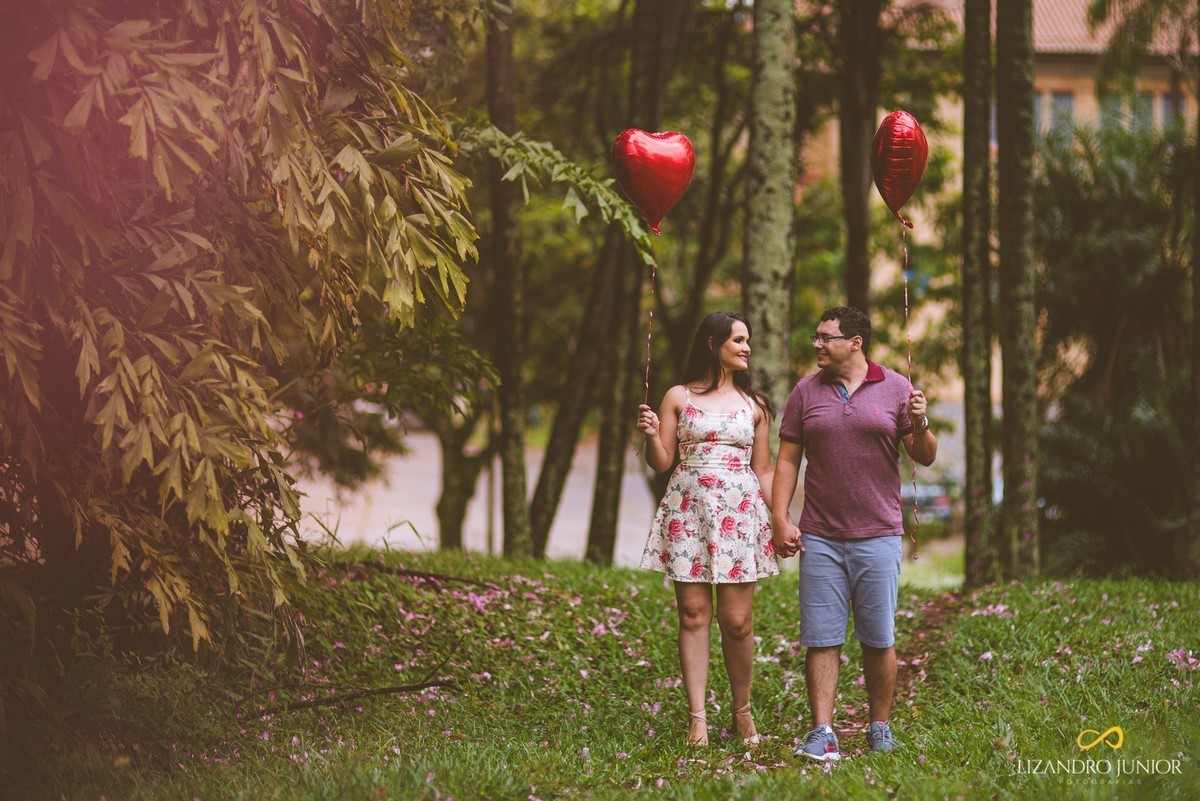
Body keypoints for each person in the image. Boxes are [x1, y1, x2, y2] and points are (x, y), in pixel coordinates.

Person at [770, 306, 937, 761]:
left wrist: (920, 421)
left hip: (879, 533)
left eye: (826, 337)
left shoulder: (897, 388)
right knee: (821, 637)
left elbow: (924, 457)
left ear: (855, 342)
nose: (817, 344)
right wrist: (780, 517)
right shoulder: (805, 392)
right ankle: (822, 730)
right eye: (816, 337)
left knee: (878, 637)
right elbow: (787, 460)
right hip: (820, 535)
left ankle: (879, 726)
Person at [636, 311, 779, 747]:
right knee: (694, 615)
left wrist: (783, 520)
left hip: (740, 515)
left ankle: (742, 712)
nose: (746, 348)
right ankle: (697, 718)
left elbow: (766, 470)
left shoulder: (755, 407)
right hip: (689, 510)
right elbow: (662, 463)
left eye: (747, 341)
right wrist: (651, 435)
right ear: (713, 343)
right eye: (738, 340)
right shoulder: (678, 396)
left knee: (737, 622)